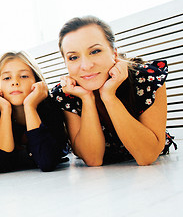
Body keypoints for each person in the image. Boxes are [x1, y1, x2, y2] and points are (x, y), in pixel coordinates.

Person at [50, 16, 176, 166]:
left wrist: (108, 96)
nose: (86, 65)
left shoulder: (146, 77)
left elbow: (147, 156)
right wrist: (87, 98)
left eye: (95, 51)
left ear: (114, 53)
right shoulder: (67, 93)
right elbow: (93, 159)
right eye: (73, 57)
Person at [0, 51, 69, 173]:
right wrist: (5, 110)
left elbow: (47, 162)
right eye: (7, 78)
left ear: (36, 81)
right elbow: (1, 166)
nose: (15, 82)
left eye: (23, 76)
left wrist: (30, 106)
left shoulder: (52, 108)